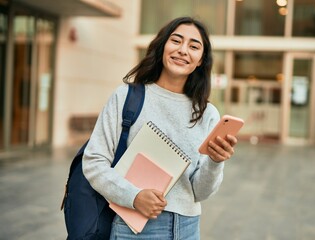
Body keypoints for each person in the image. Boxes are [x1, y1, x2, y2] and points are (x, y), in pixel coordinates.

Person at [82, 16, 238, 239]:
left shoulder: (208, 114)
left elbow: (200, 193)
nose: (183, 50)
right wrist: (134, 196)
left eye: (194, 46)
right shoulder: (127, 97)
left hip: (188, 228)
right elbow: (94, 161)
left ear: (201, 60)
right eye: (176, 41)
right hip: (133, 227)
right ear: (163, 46)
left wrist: (215, 162)